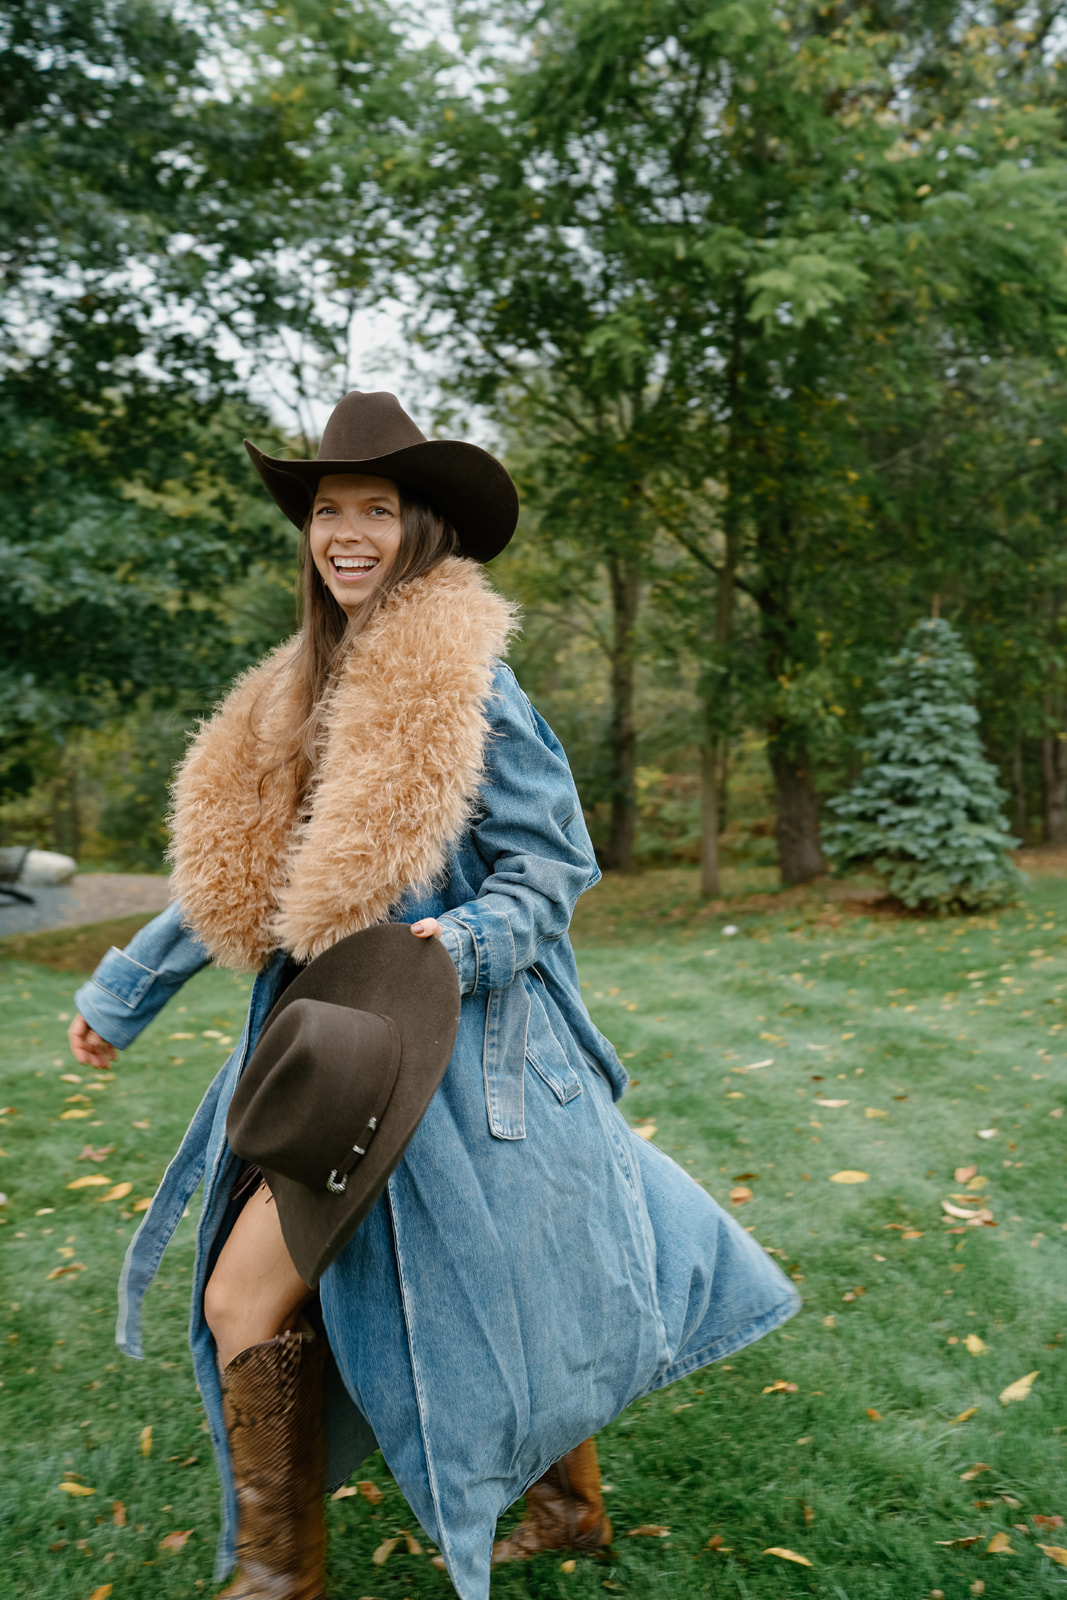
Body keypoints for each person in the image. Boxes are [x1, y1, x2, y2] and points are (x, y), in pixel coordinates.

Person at [68, 391, 800, 1600]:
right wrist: (123, 992)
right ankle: (401, 1543)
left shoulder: (470, 688)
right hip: (334, 1055)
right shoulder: (290, 698)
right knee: (332, 1288)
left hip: (458, 1056)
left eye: (376, 509)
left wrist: (455, 943)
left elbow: (551, 868)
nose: (346, 533)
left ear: (421, 530)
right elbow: (239, 873)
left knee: (483, 1284)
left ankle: (314, 1568)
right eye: (328, 510)